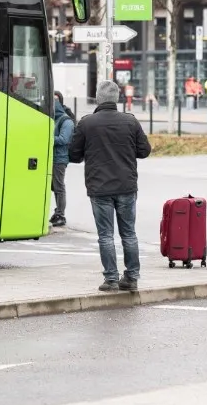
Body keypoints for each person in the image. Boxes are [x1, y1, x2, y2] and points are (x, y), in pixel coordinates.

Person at [69, 79, 152, 291]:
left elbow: (74, 155)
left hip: (100, 188)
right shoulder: (130, 122)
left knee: (105, 235)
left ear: (98, 98)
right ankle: (132, 277)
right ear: (117, 98)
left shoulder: (87, 123)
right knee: (129, 233)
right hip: (126, 186)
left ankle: (111, 279)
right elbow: (144, 151)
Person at [50, 91, 75, 227]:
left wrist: (47, 138)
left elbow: (64, 139)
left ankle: (60, 214)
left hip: (60, 158)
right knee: (54, 186)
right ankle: (57, 211)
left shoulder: (66, 121)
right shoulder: (53, 119)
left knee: (59, 186)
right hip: (52, 157)